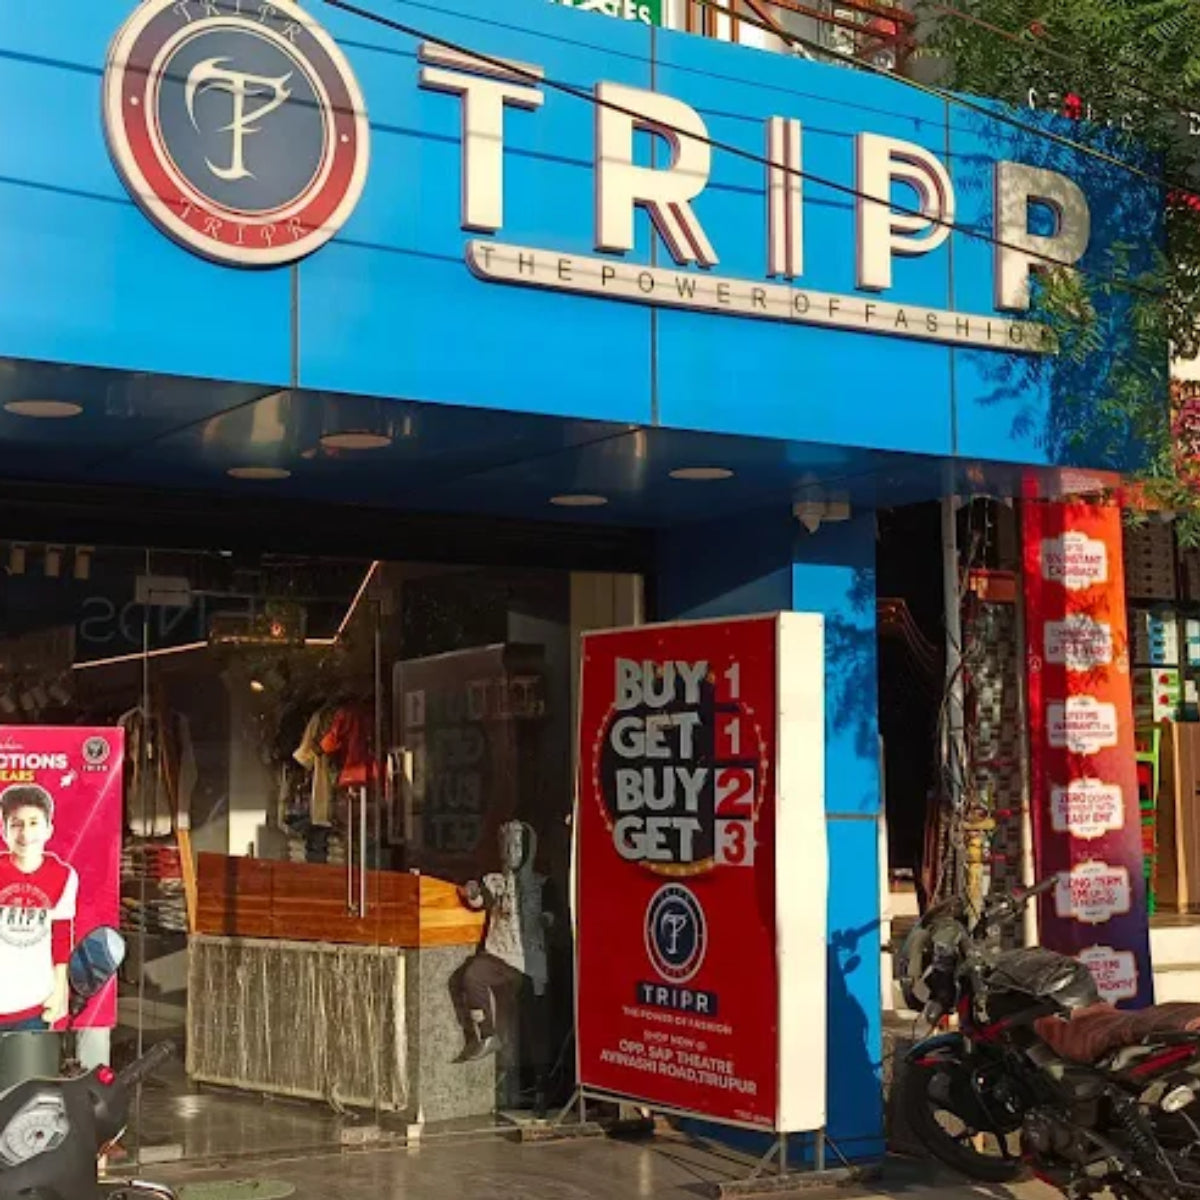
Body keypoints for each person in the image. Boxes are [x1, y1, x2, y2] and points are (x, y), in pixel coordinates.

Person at [455, 819, 551, 1062]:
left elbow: (556, 917)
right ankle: (487, 1034)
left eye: (516, 846)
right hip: (498, 956)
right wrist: (473, 894)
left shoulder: (541, 885)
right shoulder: (495, 881)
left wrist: (547, 920)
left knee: (531, 1025)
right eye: (505, 846)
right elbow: (481, 901)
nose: (510, 852)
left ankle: (539, 1074)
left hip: (529, 964)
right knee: (472, 976)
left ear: (528, 849)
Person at [0, 784, 79, 1032]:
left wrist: (60, 989)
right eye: (16, 824)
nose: (25, 833)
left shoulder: (63, 876)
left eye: (34, 823)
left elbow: (61, 934)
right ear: (4, 831)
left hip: (33, 1003)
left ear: (48, 829)